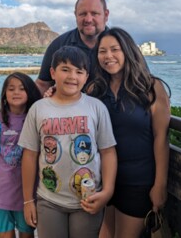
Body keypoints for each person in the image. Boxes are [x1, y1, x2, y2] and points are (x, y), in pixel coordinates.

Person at [19, 46, 117, 238]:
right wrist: (28, 200)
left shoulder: (96, 107)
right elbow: (30, 155)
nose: (72, 76)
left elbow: (108, 152)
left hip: (88, 199)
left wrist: (107, 191)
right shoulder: (38, 109)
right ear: (53, 73)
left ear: (86, 76)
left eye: (79, 71)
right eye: (65, 69)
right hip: (49, 200)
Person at [86, 27, 171, 238]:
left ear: (128, 51)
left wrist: (160, 184)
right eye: (102, 51)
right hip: (103, 180)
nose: (108, 56)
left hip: (138, 180)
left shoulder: (151, 87)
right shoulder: (94, 90)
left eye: (115, 49)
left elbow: (161, 138)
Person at [0, 73, 41, 238]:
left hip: (27, 194)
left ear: (29, 93)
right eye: (11, 89)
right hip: (1, 193)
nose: (16, 92)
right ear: (4, 94)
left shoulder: (35, 118)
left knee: (27, 234)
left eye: (22, 89)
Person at [36, 0, 109, 94]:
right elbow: (43, 84)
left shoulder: (121, 46)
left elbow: (135, 81)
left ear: (106, 15)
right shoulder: (59, 45)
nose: (88, 19)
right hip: (68, 108)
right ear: (75, 15)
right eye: (82, 14)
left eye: (94, 13)